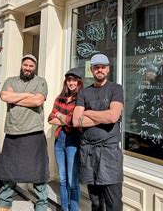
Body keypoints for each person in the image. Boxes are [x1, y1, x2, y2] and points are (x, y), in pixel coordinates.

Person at [0, 54, 49, 211]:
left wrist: (15, 98)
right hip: (12, 132)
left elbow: (38, 101)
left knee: (38, 174)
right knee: (8, 173)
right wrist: (27, 95)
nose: (28, 68)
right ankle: (4, 204)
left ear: (35, 67)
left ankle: (41, 206)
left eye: (31, 66)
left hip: (34, 133)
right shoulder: (11, 80)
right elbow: (4, 96)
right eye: (25, 65)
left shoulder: (40, 81)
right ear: (21, 65)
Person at [73, 54, 124, 211]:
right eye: (96, 67)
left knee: (113, 202)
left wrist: (87, 113)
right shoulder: (83, 93)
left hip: (109, 152)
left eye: (102, 67)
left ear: (108, 69)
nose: (99, 70)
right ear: (91, 70)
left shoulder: (115, 89)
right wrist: (103, 116)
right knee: (95, 201)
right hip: (88, 152)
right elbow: (76, 121)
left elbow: (113, 116)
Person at [48, 68, 83, 211]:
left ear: (79, 82)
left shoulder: (81, 98)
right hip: (60, 140)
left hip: (74, 141)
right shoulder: (60, 97)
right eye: (69, 80)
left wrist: (61, 116)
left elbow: (76, 121)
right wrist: (66, 119)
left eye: (74, 80)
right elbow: (50, 118)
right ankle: (64, 208)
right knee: (62, 179)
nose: (71, 83)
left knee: (72, 180)